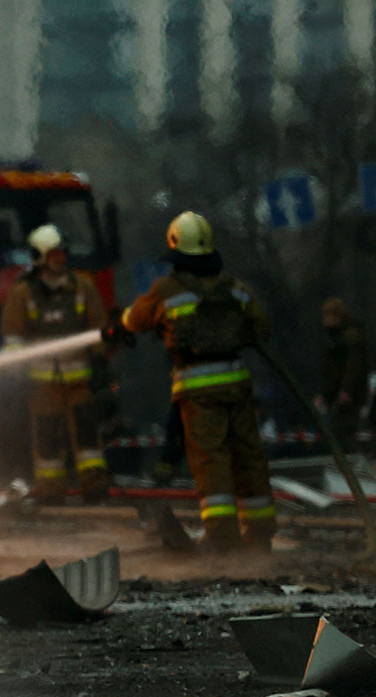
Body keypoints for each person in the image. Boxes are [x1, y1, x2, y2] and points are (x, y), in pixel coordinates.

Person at [109, 211, 275, 551]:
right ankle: (259, 536)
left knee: (211, 459)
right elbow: (262, 328)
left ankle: (222, 537)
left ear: (175, 248)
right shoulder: (236, 288)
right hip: (238, 386)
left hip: (198, 392)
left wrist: (117, 325)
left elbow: (136, 318)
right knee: (249, 456)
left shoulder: (168, 289)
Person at [1, 224, 109, 501]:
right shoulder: (23, 293)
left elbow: (98, 327)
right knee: (47, 438)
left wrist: (100, 360)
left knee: (88, 437)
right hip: (42, 383)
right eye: (54, 254)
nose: (61, 259)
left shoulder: (82, 287)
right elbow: (13, 336)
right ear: (39, 257)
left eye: (62, 253)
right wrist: (19, 373)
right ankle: (50, 491)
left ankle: (94, 487)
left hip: (80, 381)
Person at [318, 297, 369, 456]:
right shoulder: (336, 336)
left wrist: (346, 389)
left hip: (349, 395)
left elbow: (353, 365)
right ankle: (350, 465)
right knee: (338, 434)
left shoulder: (349, 336)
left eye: (327, 316)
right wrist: (325, 394)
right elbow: (331, 370)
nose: (324, 320)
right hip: (341, 394)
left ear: (335, 316)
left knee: (341, 434)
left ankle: (357, 465)